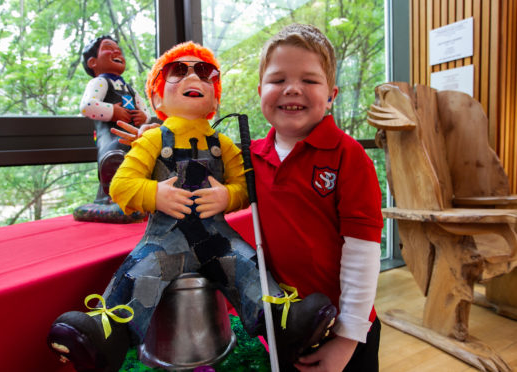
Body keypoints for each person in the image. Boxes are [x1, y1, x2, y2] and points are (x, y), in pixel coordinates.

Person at [47, 41, 336, 372]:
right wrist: (155, 193)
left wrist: (227, 197)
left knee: (248, 267)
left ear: (215, 98)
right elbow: (121, 186)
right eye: (178, 71)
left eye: (204, 72)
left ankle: (282, 323)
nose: (193, 77)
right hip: (164, 240)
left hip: (217, 239)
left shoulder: (224, 144)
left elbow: (246, 186)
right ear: (156, 97)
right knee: (139, 271)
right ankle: (108, 335)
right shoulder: (152, 140)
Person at [252, 23, 384, 372]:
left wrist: (347, 338)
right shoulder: (247, 158)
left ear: (331, 95)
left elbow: (363, 252)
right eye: (278, 80)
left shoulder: (349, 156)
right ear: (260, 90)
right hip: (285, 321)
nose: (292, 89)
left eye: (309, 81)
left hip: (347, 326)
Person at [73, 35, 151, 223]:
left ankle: (139, 197)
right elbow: (87, 106)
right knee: (116, 158)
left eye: (119, 49)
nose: (117, 52)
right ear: (93, 62)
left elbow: (146, 111)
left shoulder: (129, 88)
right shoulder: (99, 83)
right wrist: (112, 111)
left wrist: (143, 117)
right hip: (110, 138)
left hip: (132, 139)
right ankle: (112, 199)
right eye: (108, 47)